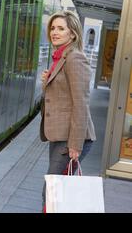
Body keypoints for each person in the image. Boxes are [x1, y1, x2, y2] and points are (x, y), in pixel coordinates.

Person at [40, 11, 96, 211]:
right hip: (59, 136)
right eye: (53, 28)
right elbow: (59, 96)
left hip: (70, 139)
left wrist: (75, 144)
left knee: (52, 190)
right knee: (54, 189)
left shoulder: (75, 58)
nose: (54, 32)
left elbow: (81, 103)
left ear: (72, 34)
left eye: (61, 28)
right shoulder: (60, 57)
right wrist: (46, 82)